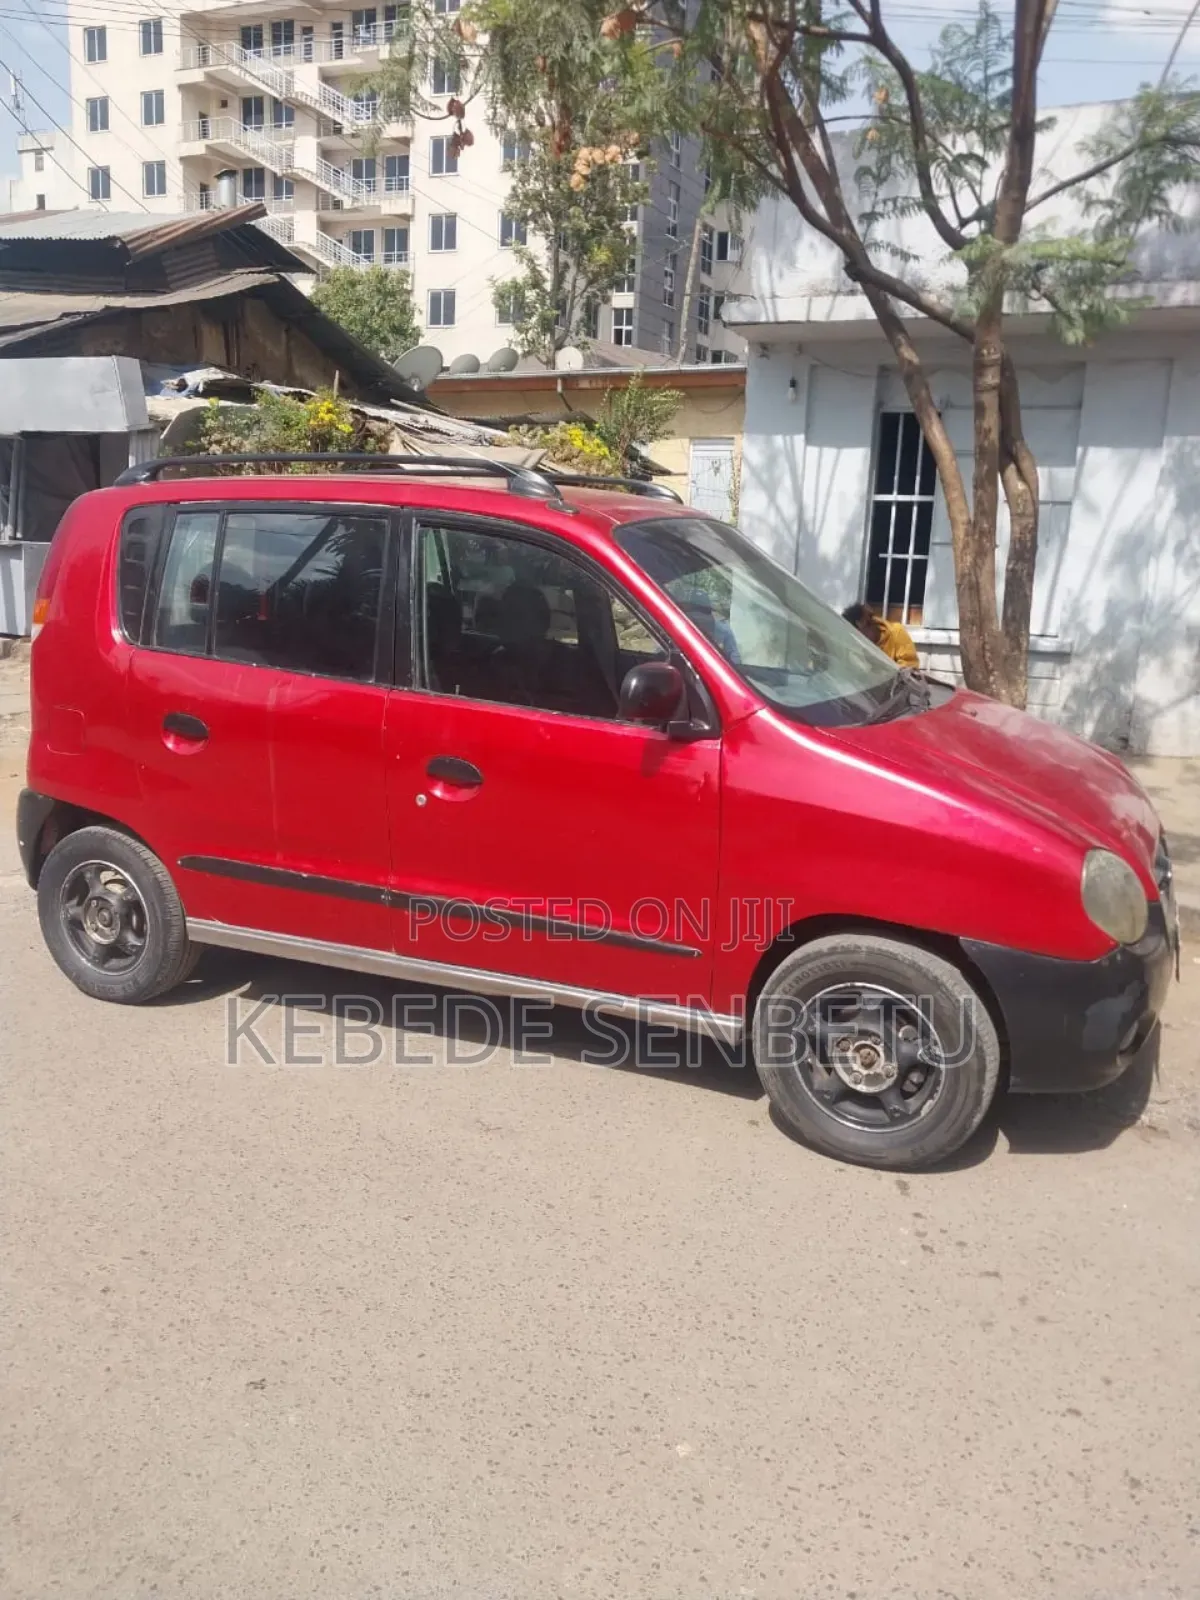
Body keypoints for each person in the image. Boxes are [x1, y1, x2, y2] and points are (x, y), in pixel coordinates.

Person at [842, 601, 919, 669]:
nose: (860, 641)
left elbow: (910, 666)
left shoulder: (896, 632)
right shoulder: (853, 647)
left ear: (869, 623)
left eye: (861, 635)